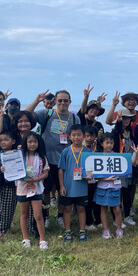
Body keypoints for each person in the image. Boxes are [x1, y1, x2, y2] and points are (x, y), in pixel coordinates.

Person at [26, 90, 81, 229]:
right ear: (55, 101)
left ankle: (61, 216)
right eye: (60, 100)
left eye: (66, 100)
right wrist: (37, 101)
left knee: (64, 190)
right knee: (45, 191)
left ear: (70, 102)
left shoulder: (75, 118)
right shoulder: (47, 113)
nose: (63, 103)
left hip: (66, 161)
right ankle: (45, 216)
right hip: (47, 160)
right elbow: (26, 115)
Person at [93, 133, 138, 240]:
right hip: (102, 186)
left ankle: (119, 229)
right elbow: (92, 175)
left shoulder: (118, 156)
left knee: (117, 209)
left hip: (115, 187)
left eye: (111, 143)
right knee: (103, 208)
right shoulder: (97, 156)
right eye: (107, 143)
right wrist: (105, 179)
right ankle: (105, 229)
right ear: (102, 144)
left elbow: (131, 164)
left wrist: (136, 153)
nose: (109, 145)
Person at [58, 124, 91, 242]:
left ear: (84, 137)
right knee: (67, 209)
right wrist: (61, 185)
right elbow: (61, 169)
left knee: (81, 208)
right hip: (68, 186)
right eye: (74, 135)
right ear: (69, 137)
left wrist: (90, 176)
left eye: (79, 135)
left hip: (82, 186)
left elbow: (91, 169)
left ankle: (82, 231)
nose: (76, 137)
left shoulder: (88, 152)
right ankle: (67, 231)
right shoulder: (66, 151)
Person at [16, 132, 49, 249]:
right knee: (24, 214)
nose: (32, 144)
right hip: (22, 189)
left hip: (36, 189)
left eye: (35, 141)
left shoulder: (41, 157)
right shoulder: (20, 156)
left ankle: (42, 239)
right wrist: (5, 168)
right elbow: (12, 169)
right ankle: (25, 238)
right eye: (29, 141)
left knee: (38, 215)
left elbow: (46, 173)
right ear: (25, 143)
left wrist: (36, 180)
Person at [112, 108, 138, 226]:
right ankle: (115, 219)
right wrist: (116, 123)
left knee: (127, 191)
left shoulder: (130, 132)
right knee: (118, 191)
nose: (126, 120)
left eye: (128, 118)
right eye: (124, 118)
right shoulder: (115, 132)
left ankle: (127, 215)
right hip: (117, 165)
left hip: (129, 165)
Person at [83, 125, 101, 231]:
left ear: (95, 136)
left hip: (97, 179)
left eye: (91, 136)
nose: (89, 138)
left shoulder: (98, 146)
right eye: (87, 136)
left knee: (97, 201)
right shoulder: (81, 147)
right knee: (88, 202)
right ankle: (88, 222)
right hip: (87, 179)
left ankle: (98, 220)